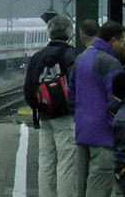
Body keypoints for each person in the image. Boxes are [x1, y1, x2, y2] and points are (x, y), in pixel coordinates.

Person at [71, 20, 125, 197]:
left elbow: (71, 94)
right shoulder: (110, 62)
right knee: (100, 183)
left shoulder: (81, 58)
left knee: (81, 182)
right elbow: (117, 98)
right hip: (103, 134)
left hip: (82, 130)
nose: (123, 45)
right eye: (122, 41)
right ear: (113, 41)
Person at [24, 15, 78, 197]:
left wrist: (39, 107)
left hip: (44, 116)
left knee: (46, 161)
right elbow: (76, 85)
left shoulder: (38, 56)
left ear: (49, 33)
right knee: (66, 162)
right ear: (69, 33)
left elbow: (28, 88)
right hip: (65, 117)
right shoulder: (71, 55)